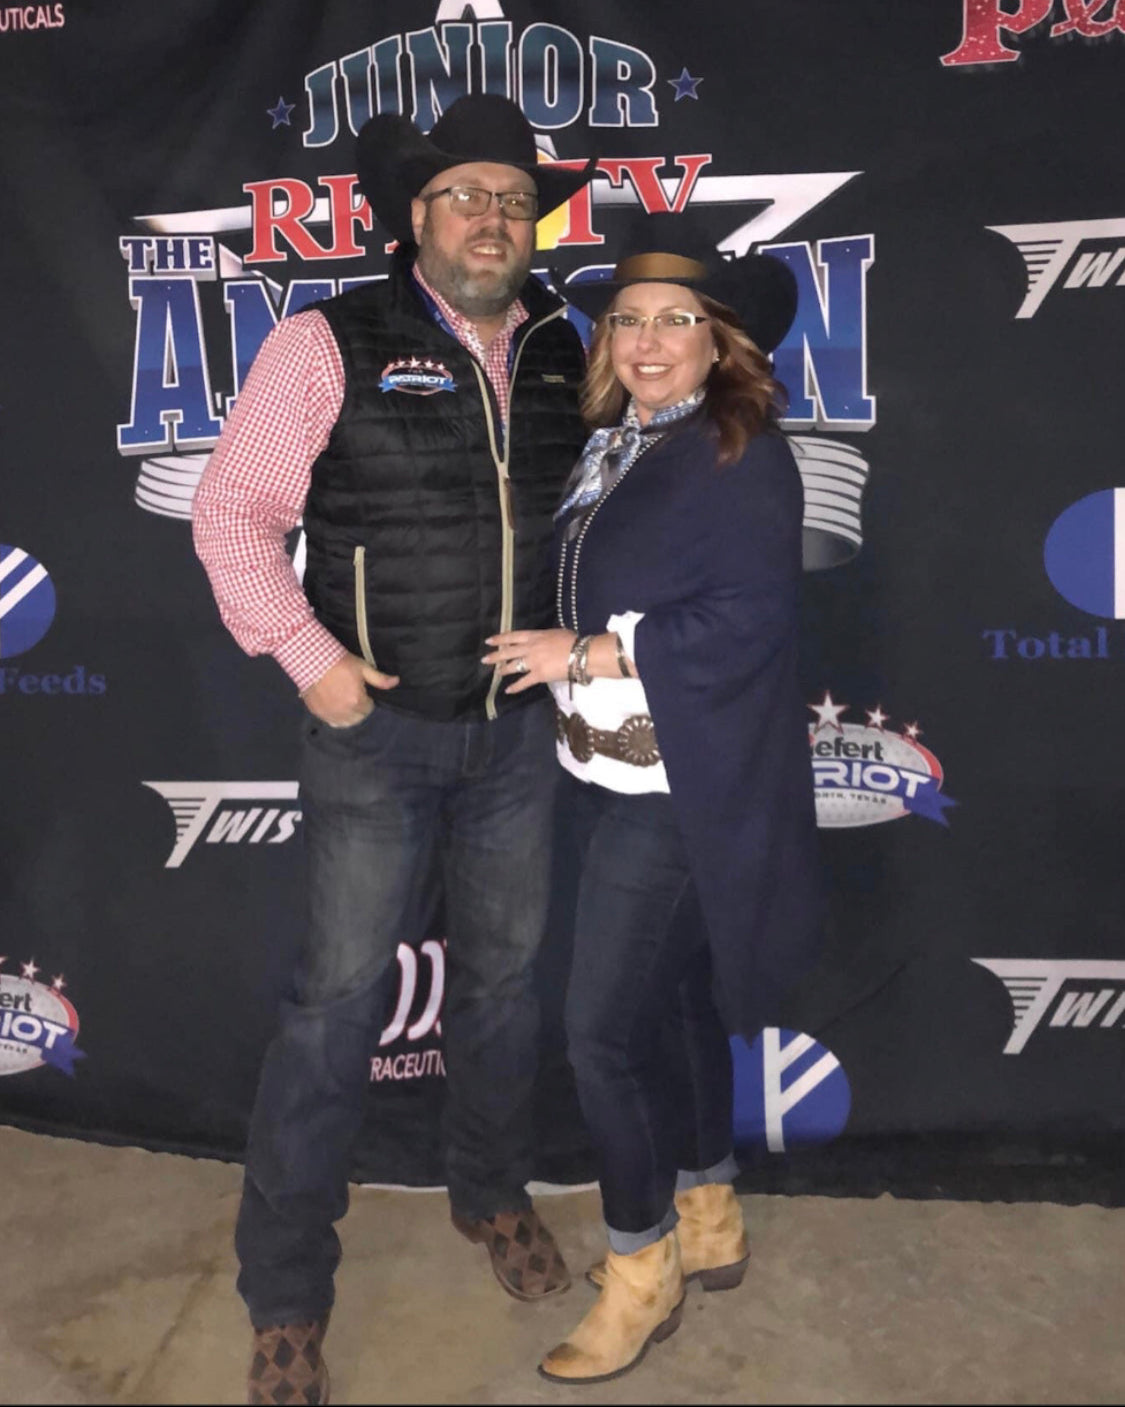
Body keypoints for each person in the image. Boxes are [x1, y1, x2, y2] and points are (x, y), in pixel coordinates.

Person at [192, 94, 596, 1406]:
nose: (492, 216)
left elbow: (600, 519)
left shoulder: (562, 342)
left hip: (517, 740)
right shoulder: (325, 342)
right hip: (374, 741)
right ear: (412, 218)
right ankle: (286, 1296)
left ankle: (489, 1193)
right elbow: (234, 514)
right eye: (464, 194)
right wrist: (311, 659)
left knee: (501, 991)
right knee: (331, 1017)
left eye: (510, 196)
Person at [483, 214, 824, 1384]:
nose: (646, 340)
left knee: (601, 1035)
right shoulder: (620, 442)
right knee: (675, 1007)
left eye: (676, 319)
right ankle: (711, 1214)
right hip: (612, 768)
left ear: (719, 339)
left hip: (682, 783)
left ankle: (642, 1269)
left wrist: (579, 652)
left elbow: (748, 622)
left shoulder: (737, 448)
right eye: (626, 319)